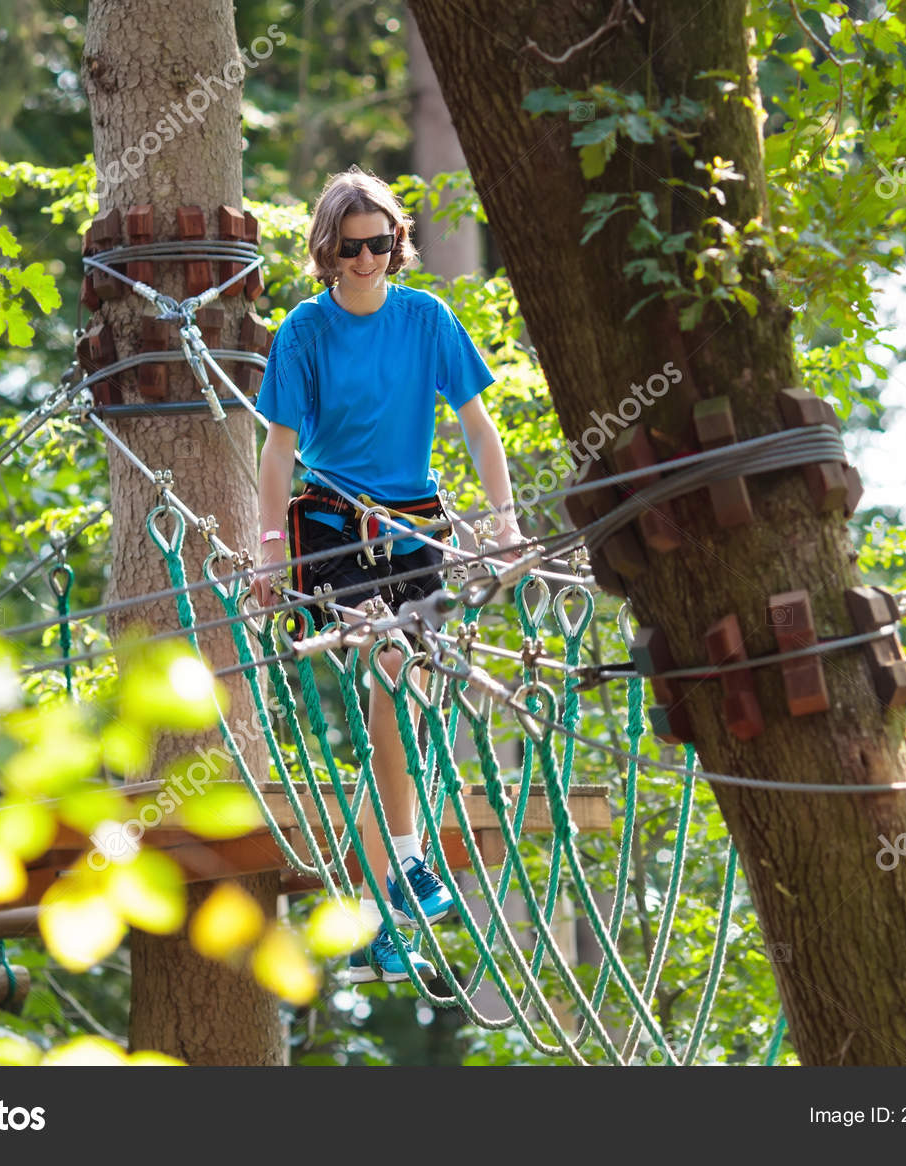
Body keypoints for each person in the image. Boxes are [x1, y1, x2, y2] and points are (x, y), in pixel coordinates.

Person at [252, 167, 522, 984]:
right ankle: (406, 866)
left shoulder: (427, 319)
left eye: (381, 244)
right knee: (392, 675)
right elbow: (278, 450)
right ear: (327, 252)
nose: (367, 259)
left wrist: (503, 520)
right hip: (335, 527)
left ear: (396, 246)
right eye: (350, 247)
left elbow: (479, 428)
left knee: (415, 710)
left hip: (416, 529)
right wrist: (269, 547)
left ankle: (389, 915)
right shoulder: (304, 331)